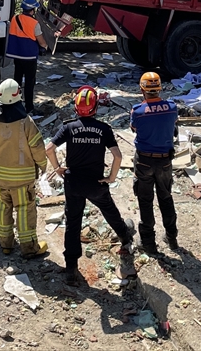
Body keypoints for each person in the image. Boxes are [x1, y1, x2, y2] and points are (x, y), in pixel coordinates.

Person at [46, 85, 134, 286]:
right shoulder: (104, 129)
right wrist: (111, 178)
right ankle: (124, 237)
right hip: (95, 183)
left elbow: (49, 149)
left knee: (73, 222)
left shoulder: (68, 127)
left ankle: (71, 268)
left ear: (76, 108)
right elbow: (118, 156)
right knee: (109, 210)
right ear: (95, 107)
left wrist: (58, 167)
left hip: (73, 182)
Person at [0, 76, 48, 257]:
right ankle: (28, 248)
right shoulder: (26, 122)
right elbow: (37, 146)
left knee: (3, 210)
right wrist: (42, 165)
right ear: (18, 96)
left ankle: (6, 244)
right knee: (25, 210)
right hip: (22, 179)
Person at [130, 71, 179, 255]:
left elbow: (134, 128)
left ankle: (148, 242)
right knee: (166, 198)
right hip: (165, 160)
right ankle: (172, 237)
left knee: (145, 200)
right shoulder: (172, 107)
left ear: (142, 89)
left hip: (143, 161)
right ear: (159, 88)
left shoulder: (138, 111)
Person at [6, 0, 48, 115]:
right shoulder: (34, 23)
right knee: (29, 83)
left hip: (17, 55)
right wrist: (45, 47)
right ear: (32, 10)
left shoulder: (15, 18)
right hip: (29, 57)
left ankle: (14, 104)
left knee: (17, 80)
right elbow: (41, 41)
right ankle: (29, 107)